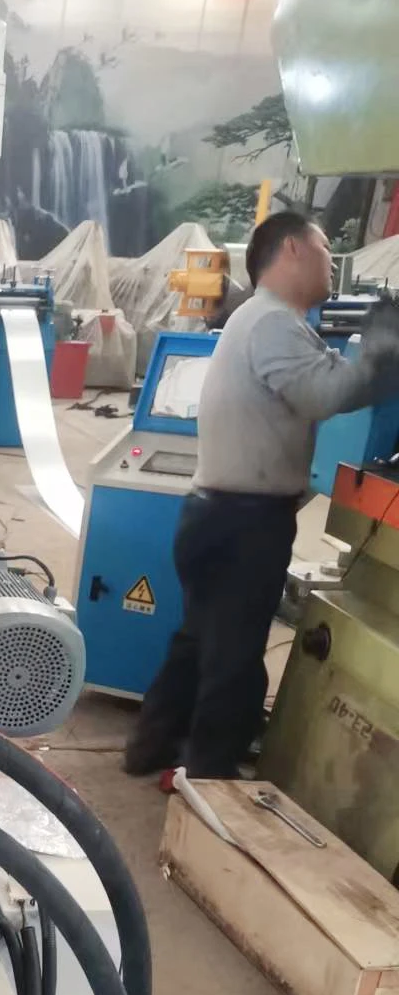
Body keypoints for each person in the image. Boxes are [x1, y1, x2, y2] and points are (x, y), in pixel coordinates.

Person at [126, 211, 399, 780]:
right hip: (244, 523)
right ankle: (211, 780)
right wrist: (380, 352)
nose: (332, 263)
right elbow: (325, 393)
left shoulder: (265, 320)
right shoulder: (272, 322)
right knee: (233, 658)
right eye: (324, 249)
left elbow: (319, 376)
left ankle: (152, 747)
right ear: (292, 249)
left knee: (198, 641)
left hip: (214, 514)